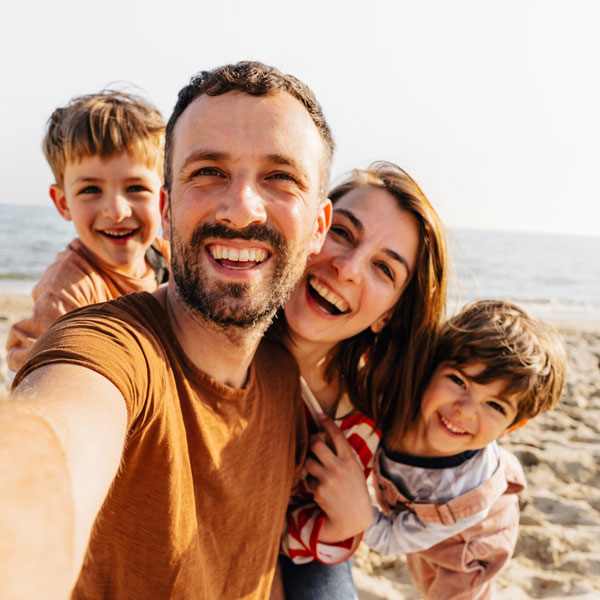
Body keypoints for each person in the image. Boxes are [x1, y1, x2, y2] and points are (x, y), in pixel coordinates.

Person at [0, 61, 333, 600]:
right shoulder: (105, 344)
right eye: (207, 171)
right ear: (169, 205)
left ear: (318, 227)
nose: (242, 209)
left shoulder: (282, 370)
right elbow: (57, 445)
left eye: (280, 176)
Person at [271, 162, 449, 599]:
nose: (347, 268)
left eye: (384, 269)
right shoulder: (226, 345)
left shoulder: (373, 398)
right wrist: (350, 522)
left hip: (316, 546)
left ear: (388, 315)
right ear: (313, 226)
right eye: (343, 233)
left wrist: (350, 520)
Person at [363, 300, 567, 599]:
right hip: (423, 515)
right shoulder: (398, 407)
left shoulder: (468, 493)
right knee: (422, 574)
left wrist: (354, 509)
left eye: (495, 405)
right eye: (459, 381)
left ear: (511, 428)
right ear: (431, 367)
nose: (465, 411)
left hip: (473, 542)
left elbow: (390, 538)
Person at [6, 91, 169, 374]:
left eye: (135, 188)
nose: (117, 211)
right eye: (91, 190)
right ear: (63, 203)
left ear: (163, 198)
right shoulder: (68, 291)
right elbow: (38, 373)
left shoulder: (168, 256)